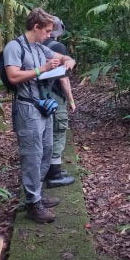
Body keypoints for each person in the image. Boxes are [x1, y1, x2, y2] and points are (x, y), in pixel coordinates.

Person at [4, 8, 76, 223]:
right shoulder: (14, 47)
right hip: (27, 109)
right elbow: (13, 75)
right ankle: (33, 204)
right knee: (32, 156)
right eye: (46, 31)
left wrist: (68, 60)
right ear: (35, 27)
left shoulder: (39, 47)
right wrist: (42, 69)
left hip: (43, 107)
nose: (49, 36)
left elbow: (60, 56)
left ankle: (38, 194)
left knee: (46, 150)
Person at [42, 16, 76, 188]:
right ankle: (54, 174)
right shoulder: (58, 47)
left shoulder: (36, 45)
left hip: (40, 97)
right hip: (54, 96)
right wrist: (70, 100)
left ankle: (50, 169)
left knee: (47, 133)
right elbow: (63, 78)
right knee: (58, 131)